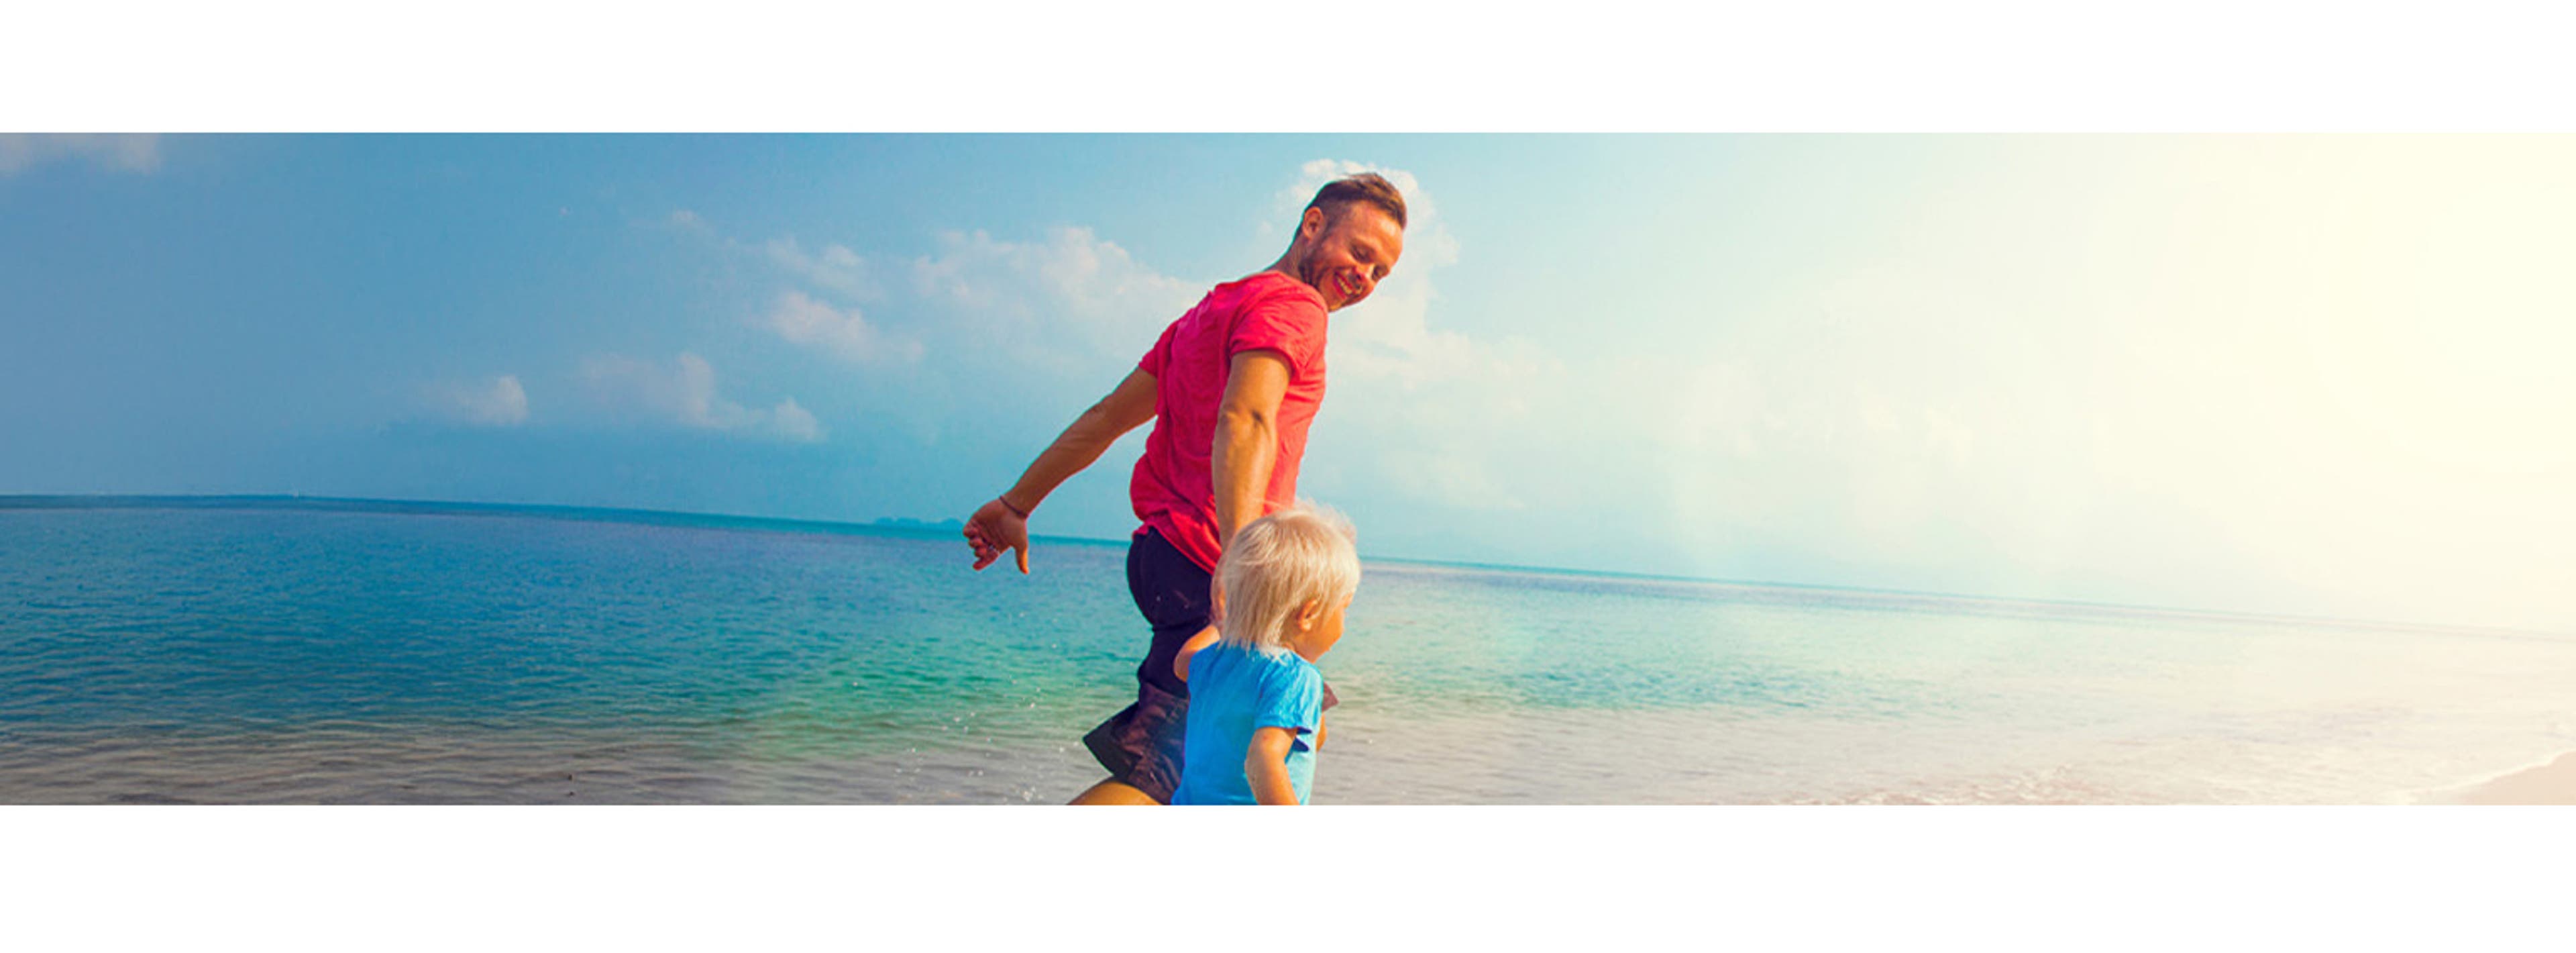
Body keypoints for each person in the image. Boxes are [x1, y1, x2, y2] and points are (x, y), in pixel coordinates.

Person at [962, 172, 1407, 805]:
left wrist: (1017, 504)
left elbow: (1107, 417)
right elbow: (1246, 418)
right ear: (1312, 225)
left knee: (1285, 726)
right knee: (1163, 768)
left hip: (1165, 556)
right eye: (1360, 253)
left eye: (1381, 272)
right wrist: (1241, 562)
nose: (1366, 276)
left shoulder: (1210, 311)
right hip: (1214, 561)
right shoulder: (1295, 308)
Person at [1167, 504, 1358, 805]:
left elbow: (1182, 662)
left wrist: (1225, 623)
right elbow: (1263, 759)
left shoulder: (1215, 660)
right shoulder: (1297, 677)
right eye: (1344, 608)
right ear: (1308, 614)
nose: (1344, 621)